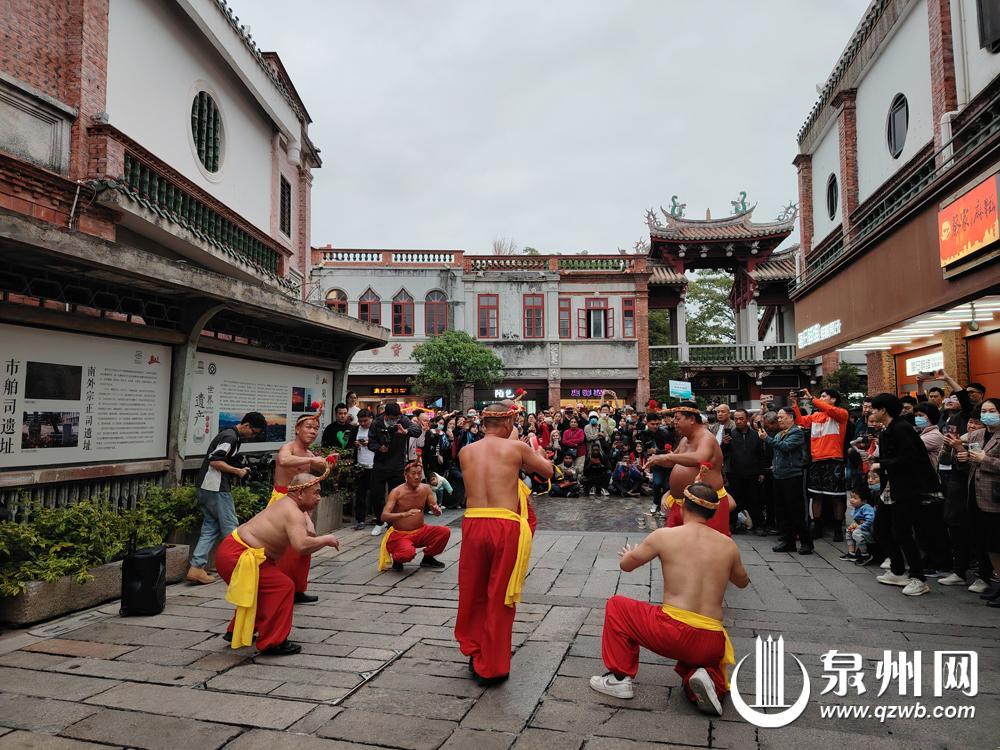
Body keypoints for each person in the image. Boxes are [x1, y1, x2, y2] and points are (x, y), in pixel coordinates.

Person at [589, 481, 748, 715]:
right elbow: (742, 582)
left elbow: (626, 566)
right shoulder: (728, 545)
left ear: (683, 507)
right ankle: (704, 678)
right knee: (702, 663)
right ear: (712, 513)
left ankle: (619, 678)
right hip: (712, 640)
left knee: (617, 607)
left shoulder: (664, 536)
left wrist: (629, 554)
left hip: (673, 632)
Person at [455, 403, 553, 685]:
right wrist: (537, 452)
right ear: (509, 420)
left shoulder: (466, 451)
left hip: (473, 522)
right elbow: (546, 471)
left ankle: (474, 648)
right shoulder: (517, 449)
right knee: (500, 594)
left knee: (472, 590)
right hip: (504, 524)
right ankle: (492, 666)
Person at [217, 472, 340, 654]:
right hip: (239, 554)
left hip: (235, 551)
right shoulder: (293, 512)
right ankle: (273, 642)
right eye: (315, 493)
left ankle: (239, 630)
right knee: (283, 587)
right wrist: (326, 539)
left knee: (261, 590)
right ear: (300, 493)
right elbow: (301, 546)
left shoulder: (288, 504)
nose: (319, 498)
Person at [870, 393, 940, 597]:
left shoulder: (902, 429)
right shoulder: (888, 430)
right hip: (892, 487)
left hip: (909, 488)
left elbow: (911, 459)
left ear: (883, 410)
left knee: (902, 532)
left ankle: (919, 578)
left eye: (875, 409)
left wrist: (880, 464)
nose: (873, 413)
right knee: (881, 528)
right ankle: (898, 571)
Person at [187, 412, 266, 584]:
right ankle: (238, 565)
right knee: (231, 527)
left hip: (205, 487)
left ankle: (196, 568)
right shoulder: (230, 437)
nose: (253, 436)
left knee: (210, 527)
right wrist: (238, 471)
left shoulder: (230, 435)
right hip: (216, 488)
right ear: (245, 425)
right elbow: (215, 461)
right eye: (253, 432)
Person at [646, 403, 733, 537]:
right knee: (677, 549)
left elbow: (700, 458)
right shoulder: (684, 440)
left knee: (704, 549)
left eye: (677, 418)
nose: (674, 422)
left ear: (692, 419)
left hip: (704, 506)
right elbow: (672, 461)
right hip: (682, 503)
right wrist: (656, 460)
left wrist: (667, 456)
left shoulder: (706, 438)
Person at [272, 411, 332, 603]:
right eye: (308, 426)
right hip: (282, 500)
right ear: (297, 429)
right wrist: (312, 461)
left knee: (306, 545)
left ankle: (298, 589)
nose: (313, 431)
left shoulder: (309, 454)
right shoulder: (288, 447)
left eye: (316, 428)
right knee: (286, 548)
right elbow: (283, 460)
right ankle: (281, 588)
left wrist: (329, 463)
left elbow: (320, 473)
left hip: (301, 504)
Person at [956, 398, 1000, 606]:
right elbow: (958, 444)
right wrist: (959, 452)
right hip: (975, 494)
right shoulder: (978, 433)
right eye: (984, 410)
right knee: (987, 543)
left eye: (992, 410)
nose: (987, 414)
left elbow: (985, 460)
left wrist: (985, 460)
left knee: (997, 542)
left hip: (995, 496)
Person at [791, 388, 850, 541]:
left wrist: (812, 399)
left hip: (834, 459)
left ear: (833, 399)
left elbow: (829, 410)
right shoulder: (816, 416)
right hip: (817, 460)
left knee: (837, 496)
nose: (821, 399)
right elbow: (800, 421)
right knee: (816, 496)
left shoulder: (841, 414)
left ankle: (838, 528)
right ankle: (817, 526)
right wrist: (794, 404)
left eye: (824, 396)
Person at [377, 461, 451, 572]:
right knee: (407, 553)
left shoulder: (426, 488)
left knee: (444, 532)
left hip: (421, 531)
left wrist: (437, 511)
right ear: (405, 475)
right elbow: (384, 516)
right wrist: (404, 514)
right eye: (413, 473)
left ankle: (428, 558)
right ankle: (398, 559)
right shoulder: (396, 492)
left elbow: (435, 510)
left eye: (419, 473)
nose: (417, 477)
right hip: (401, 535)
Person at [368, 403, 423, 537]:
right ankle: (380, 522)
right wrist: (379, 447)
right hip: (380, 464)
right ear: (386, 415)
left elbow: (417, 430)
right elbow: (370, 442)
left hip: (397, 463)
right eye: (392, 418)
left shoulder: (403, 420)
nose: (395, 420)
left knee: (398, 495)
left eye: (397, 418)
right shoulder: (377, 423)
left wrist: (406, 431)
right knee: (377, 495)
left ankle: (394, 524)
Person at [763, 408, 812, 555]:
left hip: (792, 476)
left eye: (781, 417)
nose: (779, 420)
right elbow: (776, 452)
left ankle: (806, 542)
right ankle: (788, 541)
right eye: (778, 417)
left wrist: (767, 439)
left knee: (796, 511)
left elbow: (785, 447)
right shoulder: (779, 434)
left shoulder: (796, 432)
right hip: (779, 475)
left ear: (791, 417)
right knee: (781, 511)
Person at [722, 408, 763, 534]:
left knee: (755, 500)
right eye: (736, 419)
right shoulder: (731, 435)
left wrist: (761, 472)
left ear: (747, 419)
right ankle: (732, 524)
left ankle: (758, 525)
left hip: (752, 473)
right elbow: (722, 454)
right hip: (735, 473)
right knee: (734, 500)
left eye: (741, 419)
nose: (739, 421)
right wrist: (724, 444)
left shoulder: (756, 435)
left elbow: (761, 454)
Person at [351, 409, 375, 530]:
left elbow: (383, 444)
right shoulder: (356, 429)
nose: (363, 424)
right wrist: (355, 444)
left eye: (365, 421)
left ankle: (378, 517)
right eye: (360, 421)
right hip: (361, 465)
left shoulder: (376, 428)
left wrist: (369, 443)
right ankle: (360, 519)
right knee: (360, 493)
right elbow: (350, 443)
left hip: (374, 465)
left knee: (376, 493)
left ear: (371, 418)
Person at [840, 491, 875, 565]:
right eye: (851, 497)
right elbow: (857, 521)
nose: (851, 500)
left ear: (864, 501)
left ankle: (865, 555)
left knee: (856, 533)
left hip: (870, 532)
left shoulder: (866, 508)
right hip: (863, 529)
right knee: (849, 531)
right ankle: (851, 553)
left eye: (855, 498)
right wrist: (852, 526)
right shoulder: (857, 507)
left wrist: (859, 527)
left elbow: (870, 520)